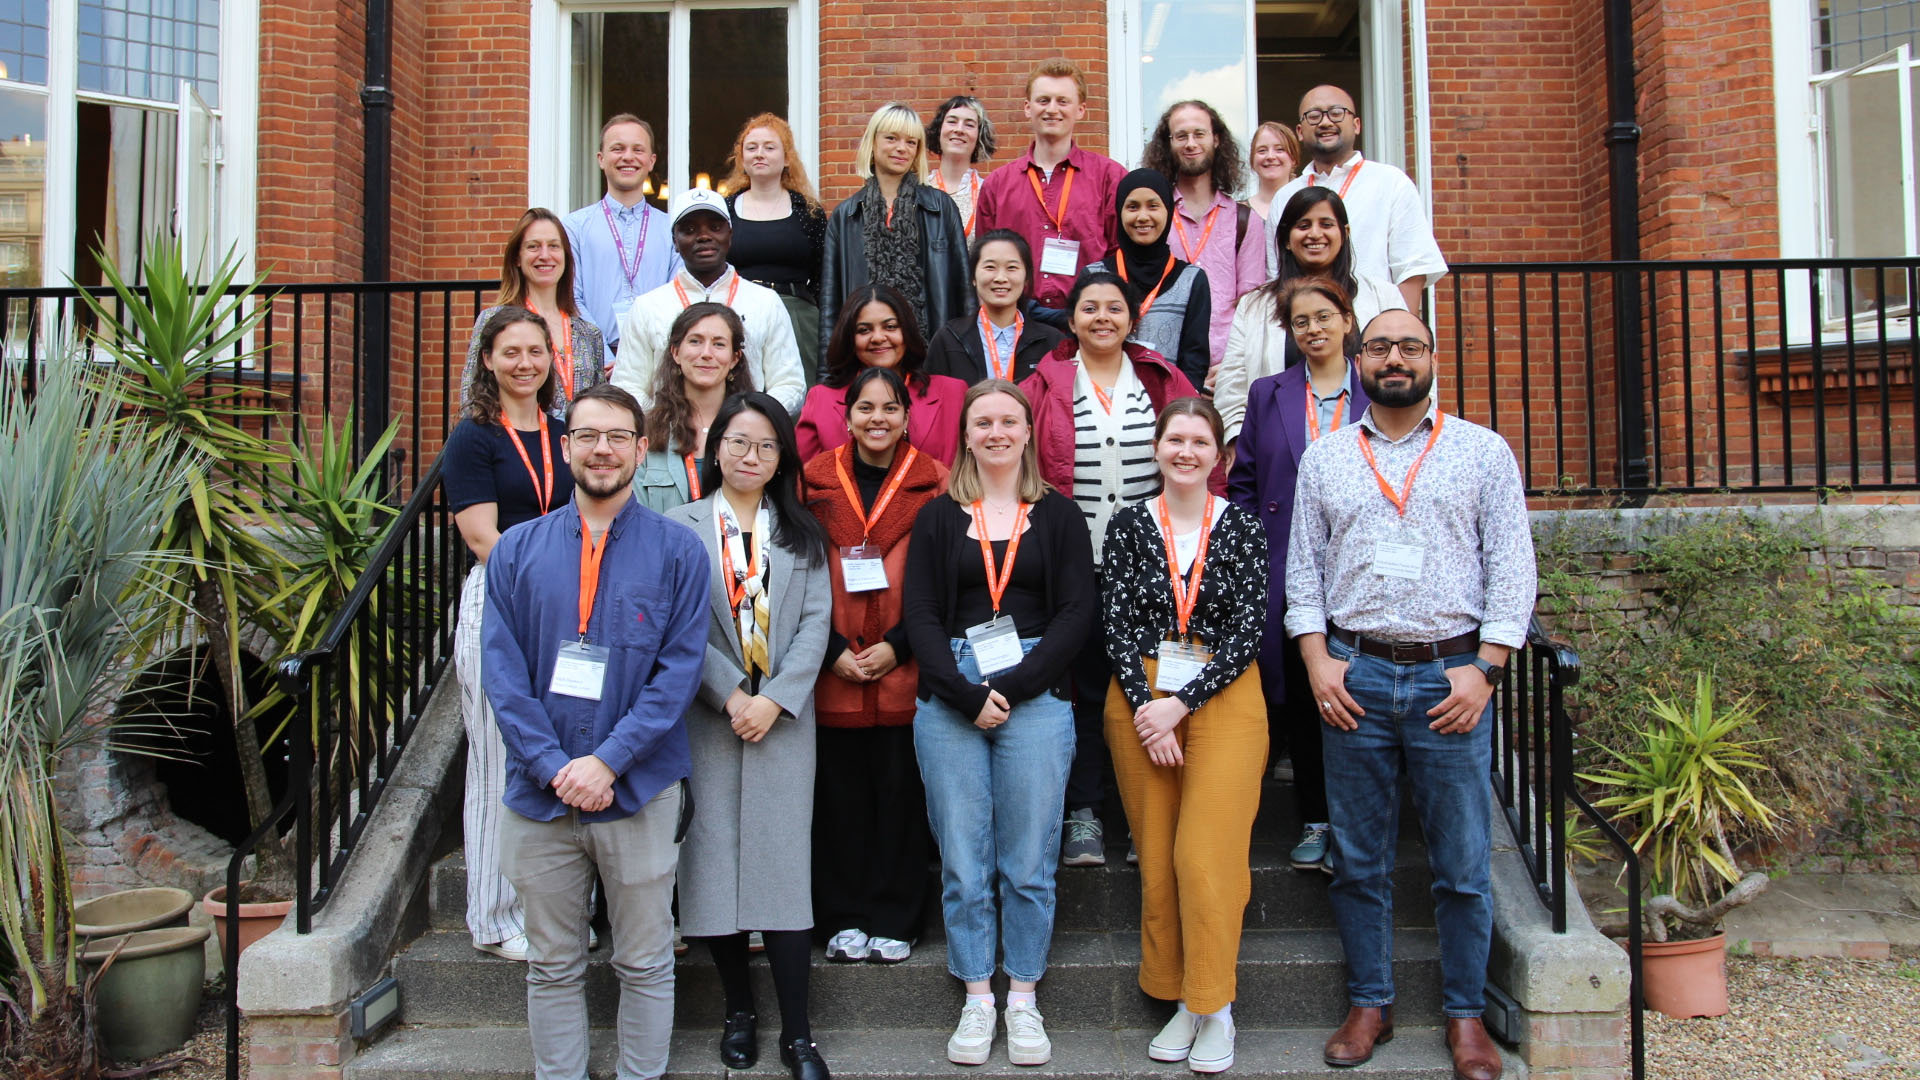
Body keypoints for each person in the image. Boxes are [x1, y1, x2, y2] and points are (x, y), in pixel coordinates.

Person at [1285, 309, 1533, 1080]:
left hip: (1448, 681)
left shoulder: (1482, 452)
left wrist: (1486, 668)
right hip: (1354, 677)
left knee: (1461, 863)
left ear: (1431, 357)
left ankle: (1466, 1019)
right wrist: (1318, 661)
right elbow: (1302, 572)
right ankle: (1370, 1004)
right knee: (1360, 861)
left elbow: (1513, 568)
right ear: (1359, 360)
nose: (1395, 359)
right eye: (1381, 347)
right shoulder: (1325, 458)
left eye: (1410, 346)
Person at [482, 382, 709, 1080]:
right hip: (539, 793)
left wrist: (606, 763)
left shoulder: (679, 552)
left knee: (643, 961)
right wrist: (556, 765)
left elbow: (677, 677)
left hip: (637, 790)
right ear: (566, 445)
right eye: (587, 435)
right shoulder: (517, 551)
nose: (602, 449)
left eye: (617, 437)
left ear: (642, 449)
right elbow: (502, 672)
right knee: (551, 966)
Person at [902, 380, 1096, 1068]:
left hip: (1035, 692)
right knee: (962, 857)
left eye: (1007, 420)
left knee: (1029, 862)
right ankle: (978, 996)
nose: (995, 432)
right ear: (966, 434)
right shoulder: (936, 516)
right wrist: (963, 693)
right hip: (951, 694)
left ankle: (1023, 998)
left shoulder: (1060, 516)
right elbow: (920, 615)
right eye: (982, 421)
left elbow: (1077, 614)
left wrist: (1009, 687)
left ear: (1026, 430)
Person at [665, 392, 835, 1080]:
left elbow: (817, 625)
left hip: (784, 727)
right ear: (716, 449)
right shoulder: (678, 528)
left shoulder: (801, 531)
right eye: (739, 442)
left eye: (766, 445)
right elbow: (677, 626)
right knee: (714, 871)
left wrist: (776, 701)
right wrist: (732, 694)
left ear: (781, 457)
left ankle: (799, 1035)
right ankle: (739, 1011)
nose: (751, 456)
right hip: (710, 720)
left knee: (782, 875)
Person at [1100, 397, 1267, 1075]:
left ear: (1219, 456)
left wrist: (1180, 704)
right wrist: (1149, 707)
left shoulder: (1244, 528)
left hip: (1223, 696)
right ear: (1157, 448)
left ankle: (1214, 1005)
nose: (1187, 451)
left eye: (1201, 441)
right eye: (1176, 439)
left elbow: (1250, 629)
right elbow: (1114, 621)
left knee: (1206, 857)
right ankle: (1178, 997)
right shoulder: (1128, 525)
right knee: (1161, 861)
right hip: (1140, 697)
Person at [1019, 270, 1204, 868]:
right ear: (1070, 320)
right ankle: (1085, 814)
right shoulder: (1045, 381)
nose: (1102, 317)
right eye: (1089, 308)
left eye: (1115, 308)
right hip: (1075, 562)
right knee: (1084, 690)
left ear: (1132, 319)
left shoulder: (1158, 376)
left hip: (1153, 564)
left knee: (1151, 683)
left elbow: (1196, 451)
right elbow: (1014, 459)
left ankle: (1145, 812)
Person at [799, 366, 949, 965]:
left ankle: (897, 916)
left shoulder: (933, 481)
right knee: (840, 801)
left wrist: (902, 643)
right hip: (832, 665)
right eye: (865, 408)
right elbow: (794, 577)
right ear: (848, 415)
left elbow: (943, 580)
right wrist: (830, 648)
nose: (878, 419)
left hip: (903, 666)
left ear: (907, 417)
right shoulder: (812, 481)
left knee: (900, 799)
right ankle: (843, 914)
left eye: (890, 408)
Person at [1226, 277, 1373, 874]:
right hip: (1285, 558)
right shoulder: (1269, 393)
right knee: (1303, 690)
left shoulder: (1376, 390)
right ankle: (1315, 817)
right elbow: (1245, 481)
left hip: (1363, 565)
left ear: (1346, 321)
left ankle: (1357, 826)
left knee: (1356, 693)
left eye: (1324, 317)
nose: (1313, 329)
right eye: (1301, 321)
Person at [444, 307, 575, 965]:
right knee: (499, 757)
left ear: (552, 359)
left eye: (536, 351)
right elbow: (479, 536)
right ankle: (494, 918)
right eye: (511, 352)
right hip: (503, 604)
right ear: (488, 361)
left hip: (561, 610)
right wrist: (550, 578)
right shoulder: (474, 438)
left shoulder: (563, 432)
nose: (525, 363)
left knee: (549, 756)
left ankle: (541, 908)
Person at [1218, 188, 1406, 443]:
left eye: (1326, 224)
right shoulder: (1255, 306)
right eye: (1303, 225)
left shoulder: (1383, 298)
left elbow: (1413, 369)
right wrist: (1238, 444)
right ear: (1286, 238)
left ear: (1344, 233)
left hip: (1374, 445)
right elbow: (1232, 387)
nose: (1315, 234)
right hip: (1279, 451)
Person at [612, 188, 807, 415]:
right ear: (674, 240)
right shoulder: (647, 307)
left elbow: (790, 383)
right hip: (669, 443)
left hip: (744, 442)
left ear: (730, 235)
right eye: (690, 229)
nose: (704, 236)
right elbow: (627, 385)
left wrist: (751, 419)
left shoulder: (765, 302)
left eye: (715, 227)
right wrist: (664, 422)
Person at [1263, 86, 1447, 312]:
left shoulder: (1390, 182)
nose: (1325, 122)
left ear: (1357, 125)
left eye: (1337, 113)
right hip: (1305, 334)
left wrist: (1398, 337)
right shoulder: (1286, 196)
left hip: (1374, 332)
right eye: (1314, 116)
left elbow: (1411, 270)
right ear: (1300, 131)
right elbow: (1276, 273)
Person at [819, 102, 969, 364]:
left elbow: (963, 293)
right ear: (873, 144)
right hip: (864, 358)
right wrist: (827, 377)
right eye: (892, 138)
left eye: (911, 142)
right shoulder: (846, 216)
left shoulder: (941, 208)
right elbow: (830, 309)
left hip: (932, 355)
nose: (902, 148)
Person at [974, 58, 1128, 309]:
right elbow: (985, 259)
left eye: (1063, 101)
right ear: (1027, 108)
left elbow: (1119, 255)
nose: (1052, 109)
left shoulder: (1110, 178)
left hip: (1086, 320)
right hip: (1019, 321)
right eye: (1043, 100)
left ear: (1080, 110)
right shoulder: (997, 185)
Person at [1141, 101, 1266, 371]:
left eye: (1199, 134)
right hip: (1164, 367)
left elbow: (1252, 307)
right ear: (1168, 143)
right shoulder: (1151, 218)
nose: (1190, 143)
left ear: (1216, 139)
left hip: (1228, 370)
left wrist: (1233, 365)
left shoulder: (1245, 221)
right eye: (1181, 136)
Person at [797, 284, 969, 464]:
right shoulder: (821, 399)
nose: (878, 337)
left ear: (906, 331)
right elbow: (802, 480)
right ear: (850, 339)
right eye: (864, 330)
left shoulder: (952, 392)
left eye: (890, 327)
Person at [460, 209, 607, 417]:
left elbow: (598, 408)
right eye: (533, 247)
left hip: (576, 446)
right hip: (512, 444)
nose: (545, 255)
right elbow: (471, 399)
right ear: (517, 258)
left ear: (565, 257)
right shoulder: (493, 321)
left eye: (554, 246)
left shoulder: (589, 334)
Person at [563, 114, 681, 355]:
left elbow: (677, 297)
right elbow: (571, 297)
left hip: (657, 359)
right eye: (618, 149)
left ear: (651, 161)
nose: (628, 157)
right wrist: (602, 354)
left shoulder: (673, 229)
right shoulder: (573, 227)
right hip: (594, 359)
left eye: (638, 150)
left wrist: (646, 357)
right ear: (601, 159)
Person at [725, 114, 829, 385]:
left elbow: (823, 276)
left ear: (786, 158)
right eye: (752, 147)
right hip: (738, 317)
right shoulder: (723, 210)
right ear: (742, 158)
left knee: (800, 398)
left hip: (798, 319)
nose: (760, 154)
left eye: (769, 147)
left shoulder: (809, 212)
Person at [1085, 170, 1213, 389]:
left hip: (1169, 410)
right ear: (1119, 211)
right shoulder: (1093, 277)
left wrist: (1177, 414)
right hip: (1103, 404)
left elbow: (1195, 361)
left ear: (1169, 211)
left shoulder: (1192, 280)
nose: (1143, 217)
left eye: (1153, 206)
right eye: (1132, 207)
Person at [633, 302, 752, 513]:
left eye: (719, 344)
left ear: (735, 358)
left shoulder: (756, 429)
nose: (706, 353)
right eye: (695, 341)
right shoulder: (646, 430)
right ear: (676, 353)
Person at [926, 229, 1066, 385]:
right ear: (973, 277)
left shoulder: (1052, 341)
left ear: (1026, 277)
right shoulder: (948, 339)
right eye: (990, 267)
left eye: (1012, 268)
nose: (1000, 278)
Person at [926, 95, 996, 241]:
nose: (959, 129)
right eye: (952, 121)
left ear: (979, 136)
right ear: (939, 130)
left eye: (969, 125)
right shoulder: (919, 191)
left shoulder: (989, 194)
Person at [1245, 121, 1301, 223]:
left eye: (1280, 149)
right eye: (1262, 150)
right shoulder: (1238, 212)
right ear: (1252, 160)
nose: (1270, 156)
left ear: (1293, 159)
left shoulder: (1308, 207)